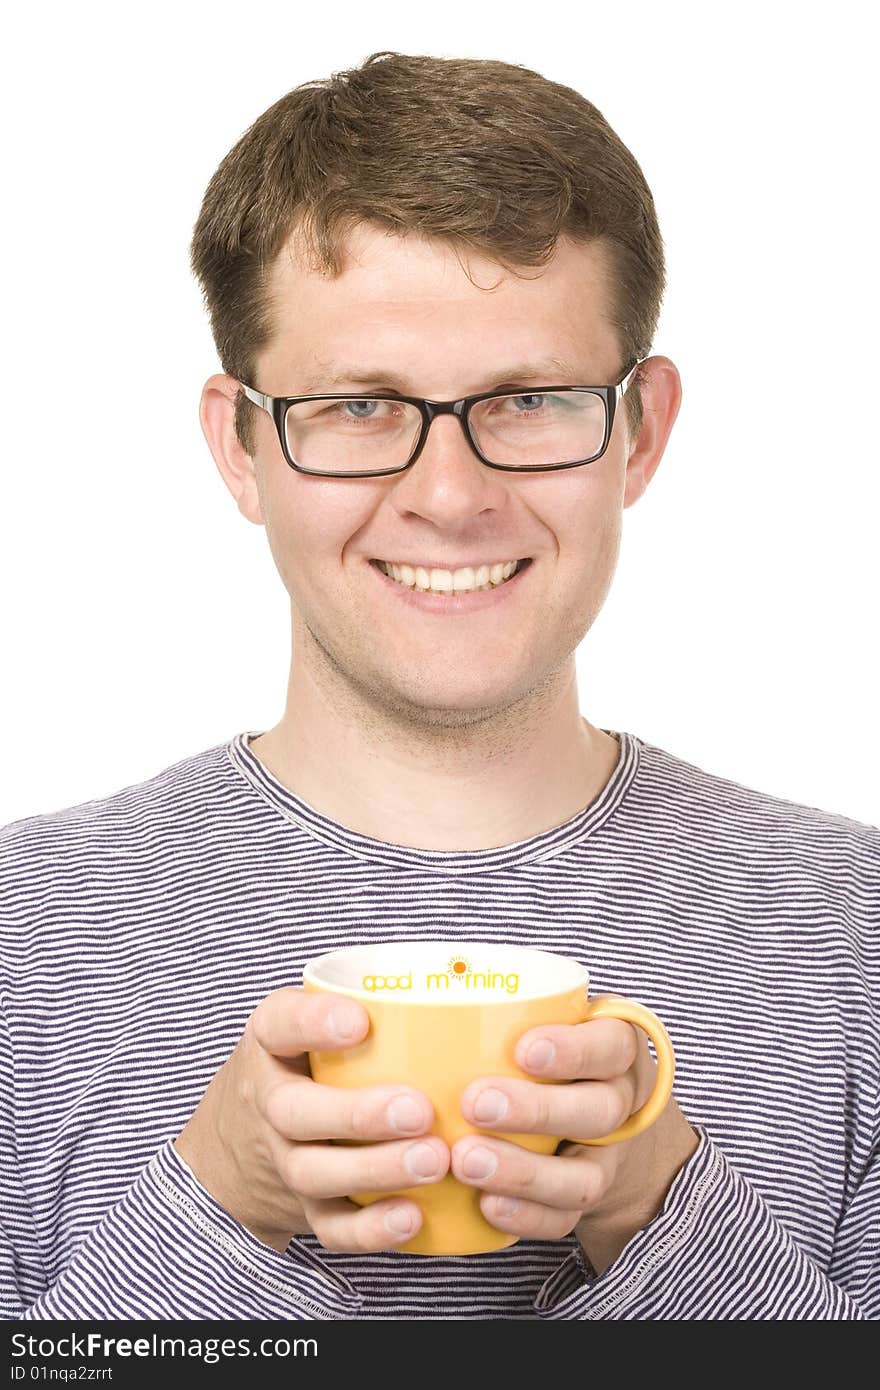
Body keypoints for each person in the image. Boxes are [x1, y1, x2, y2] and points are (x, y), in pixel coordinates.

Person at [1, 50, 877, 1323]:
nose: (451, 495)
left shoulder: (859, 935)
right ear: (241, 450)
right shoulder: (20, 939)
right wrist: (217, 1200)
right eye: (361, 407)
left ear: (640, 431)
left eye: (527, 399)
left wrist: (658, 1207)